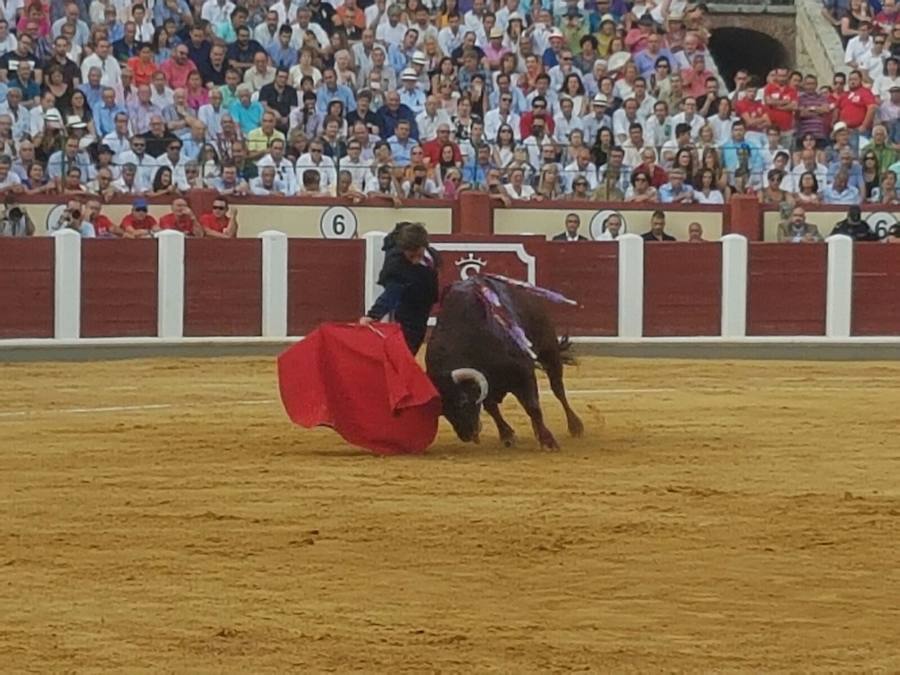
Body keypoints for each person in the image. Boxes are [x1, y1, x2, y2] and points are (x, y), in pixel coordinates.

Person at [359, 222, 439, 355]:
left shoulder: (432, 255)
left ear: (424, 246)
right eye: (410, 256)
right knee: (405, 351)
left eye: (417, 255)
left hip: (422, 307)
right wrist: (372, 315)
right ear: (403, 250)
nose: (415, 261)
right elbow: (392, 293)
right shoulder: (397, 264)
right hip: (407, 310)